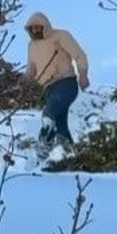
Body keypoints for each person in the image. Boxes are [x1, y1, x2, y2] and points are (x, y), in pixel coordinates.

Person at [23, 12, 90, 158]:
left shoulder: (60, 36)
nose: (35, 30)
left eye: (38, 27)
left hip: (65, 83)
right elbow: (31, 68)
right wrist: (24, 81)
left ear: (45, 26)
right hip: (48, 89)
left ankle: (42, 149)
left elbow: (79, 55)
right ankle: (71, 155)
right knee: (61, 126)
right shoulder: (31, 46)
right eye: (32, 28)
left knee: (49, 114)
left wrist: (83, 74)